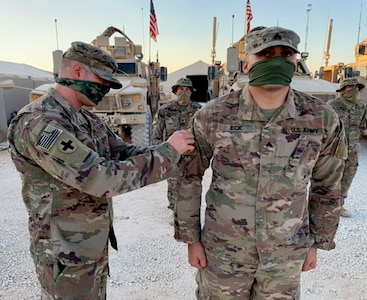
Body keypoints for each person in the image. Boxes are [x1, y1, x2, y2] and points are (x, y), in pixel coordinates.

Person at [7, 41, 194, 299]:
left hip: (89, 245)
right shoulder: (40, 122)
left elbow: (124, 152)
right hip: (63, 252)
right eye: (102, 80)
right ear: (76, 72)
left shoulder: (88, 119)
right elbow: (100, 178)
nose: (105, 89)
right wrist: (168, 153)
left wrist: (173, 150)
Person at [174, 26, 347, 299]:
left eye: (286, 54)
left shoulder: (322, 118)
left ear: (296, 61)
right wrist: (191, 239)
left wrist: (318, 241)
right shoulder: (213, 115)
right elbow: (188, 177)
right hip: (224, 251)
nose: (276, 60)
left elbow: (328, 185)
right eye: (265, 54)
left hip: (286, 252)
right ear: (247, 63)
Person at [152, 78, 201, 210]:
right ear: (175, 91)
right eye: (181, 89)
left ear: (191, 92)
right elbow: (157, 134)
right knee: (173, 181)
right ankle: (174, 208)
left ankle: (189, 208)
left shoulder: (199, 110)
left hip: (192, 153)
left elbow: (205, 133)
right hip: (172, 153)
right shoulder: (165, 110)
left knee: (192, 181)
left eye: (186, 89)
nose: (183, 92)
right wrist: (160, 152)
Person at [328, 77, 367, 217]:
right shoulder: (332, 105)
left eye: (357, 87)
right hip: (335, 149)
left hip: (352, 149)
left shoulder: (362, 106)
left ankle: (340, 205)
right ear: (343, 90)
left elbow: (362, 126)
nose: (355, 90)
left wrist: (355, 140)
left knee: (347, 177)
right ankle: (326, 205)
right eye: (351, 87)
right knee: (330, 177)